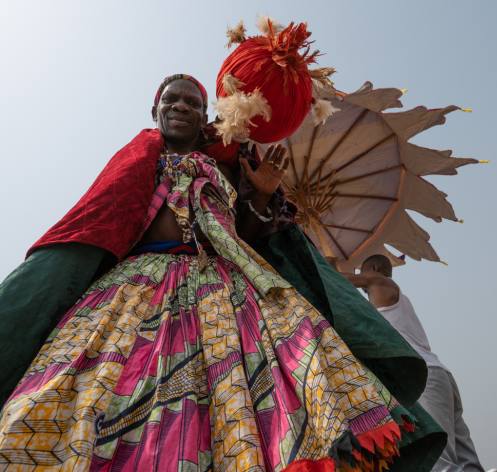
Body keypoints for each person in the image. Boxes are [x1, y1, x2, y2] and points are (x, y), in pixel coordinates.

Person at [0, 74, 424, 471]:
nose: (181, 106)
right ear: (155, 111)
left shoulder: (226, 170)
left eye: (192, 102)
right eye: (172, 99)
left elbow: (246, 234)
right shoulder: (136, 158)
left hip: (226, 289)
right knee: (88, 393)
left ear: (205, 117)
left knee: (263, 391)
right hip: (138, 289)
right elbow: (105, 218)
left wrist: (260, 193)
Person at [346, 254, 484, 472]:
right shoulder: (391, 302)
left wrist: (327, 262)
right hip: (439, 375)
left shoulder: (382, 282)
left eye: (362, 273)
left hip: (424, 377)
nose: (362, 283)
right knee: (466, 457)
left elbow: (338, 281)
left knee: (440, 460)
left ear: (373, 269)